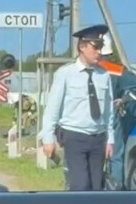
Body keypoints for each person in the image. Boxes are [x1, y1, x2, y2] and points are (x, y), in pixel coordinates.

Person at [41, 24, 115, 191]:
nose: (99, 52)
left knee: (97, 187)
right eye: (95, 47)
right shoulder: (65, 74)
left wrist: (110, 139)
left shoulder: (104, 75)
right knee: (81, 185)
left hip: (98, 138)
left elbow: (109, 111)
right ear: (82, 46)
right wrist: (48, 139)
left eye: (101, 47)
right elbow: (52, 109)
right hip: (74, 136)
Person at [98, 34, 136, 190]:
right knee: (115, 156)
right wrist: (124, 99)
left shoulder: (88, 68)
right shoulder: (115, 69)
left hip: (90, 117)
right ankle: (115, 189)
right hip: (111, 117)